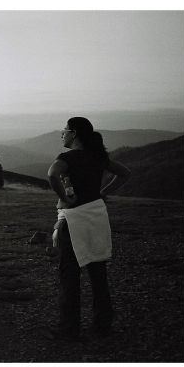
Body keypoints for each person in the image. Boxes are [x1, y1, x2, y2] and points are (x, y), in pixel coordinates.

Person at [46, 117, 130, 341]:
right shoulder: (97, 156)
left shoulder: (67, 158)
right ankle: (103, 325)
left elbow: (52, 174)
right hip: (96, 217)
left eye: (64, 130)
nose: (62, 134)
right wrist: (104, 192)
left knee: (69, 275)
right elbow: (125, 173)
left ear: (73, 133)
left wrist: (64, 197)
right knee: (98, 273)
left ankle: (69, 329)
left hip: (73, 220)